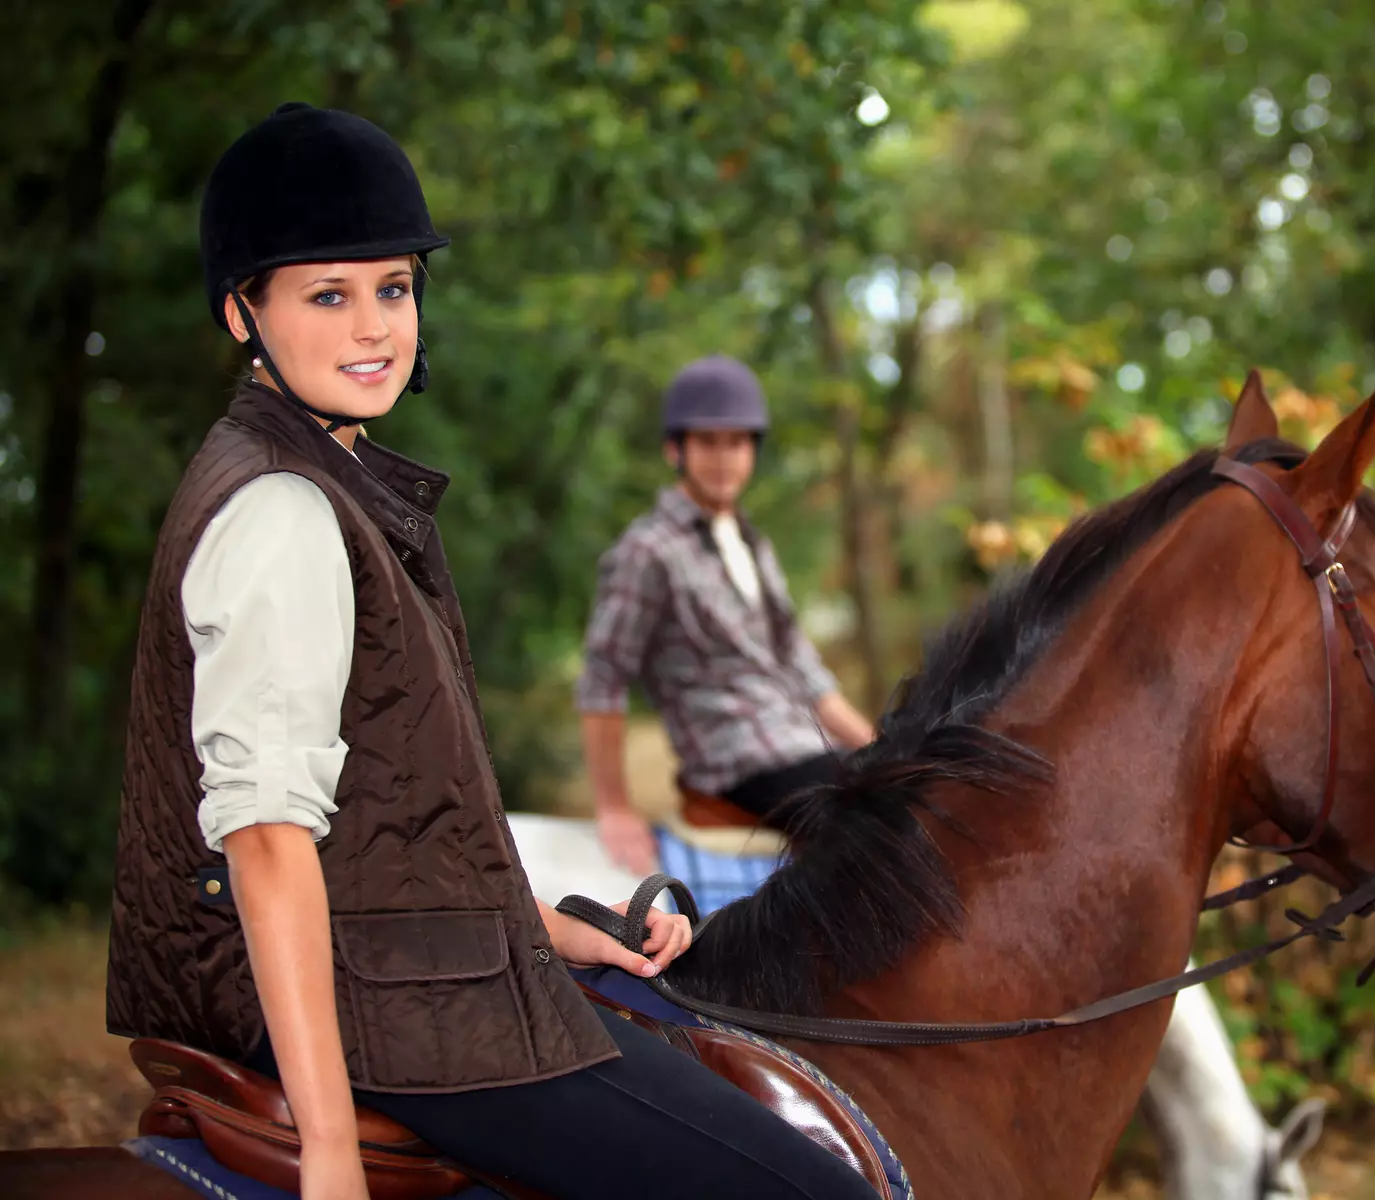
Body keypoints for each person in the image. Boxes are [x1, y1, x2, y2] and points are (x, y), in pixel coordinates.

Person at [103, 101, 877, 1200]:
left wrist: (550, 929)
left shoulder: (340, 482)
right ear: (242, 313)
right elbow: (269, 840)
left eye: (394, 288)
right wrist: (330, 1156)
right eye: (329, 295)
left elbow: (397, 814)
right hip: (393, 1015)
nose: (375, 329)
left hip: (421, 970)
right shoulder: (281, 509)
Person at [576, 355, 876, 877]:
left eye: (736, 442)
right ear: (676, 449)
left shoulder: (753, 544)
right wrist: (614, 807)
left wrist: (881, 747)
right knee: (869, 826)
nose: (724, 458)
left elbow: (804, 671)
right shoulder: (648, 551)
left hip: (800, 741)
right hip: (735, 759)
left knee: (918, 791)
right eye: (708, 443)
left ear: (752, 452)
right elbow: (603, 680)